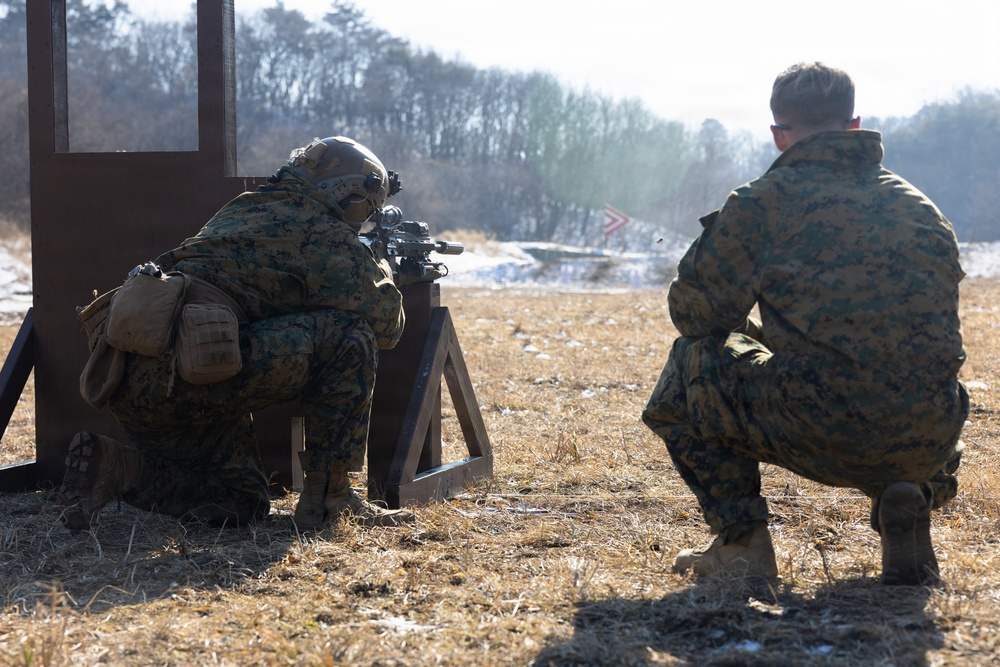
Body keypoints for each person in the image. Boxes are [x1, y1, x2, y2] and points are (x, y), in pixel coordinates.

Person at [642, 62, 968, 586]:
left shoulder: (762, 204)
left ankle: (743, 545)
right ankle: (907, 501)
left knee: (691, 362)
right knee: (898, 375)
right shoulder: (921, 208)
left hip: (824, 427)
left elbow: (696, 316)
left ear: (779, 135)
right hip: (928, 437)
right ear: (856, 125)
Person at [57, 136, 414, 531]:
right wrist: (381, 269)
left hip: (132, 375)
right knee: (351, 336)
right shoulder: (323, 231)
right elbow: (387, 324)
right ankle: (329, 501)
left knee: (239, 501)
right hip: (196, 365)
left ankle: (116, 466)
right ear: (353, 196)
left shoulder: (245, 206)